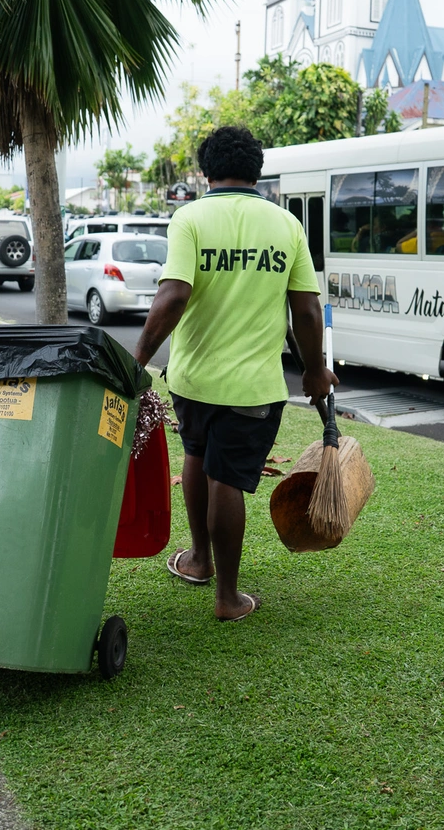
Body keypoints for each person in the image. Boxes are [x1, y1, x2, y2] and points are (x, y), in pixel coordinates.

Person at [133, 126, 335, 622]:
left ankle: (200, 560)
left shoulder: (190, 218)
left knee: (198, 458)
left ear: (206, 171)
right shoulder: (285, 224)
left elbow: (173, 295)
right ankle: (228, 597)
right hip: (253, 386)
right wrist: (315, 371)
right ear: (256, 171)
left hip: (192, 378)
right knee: (226, 477)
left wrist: (135, 360)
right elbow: (307, 312)